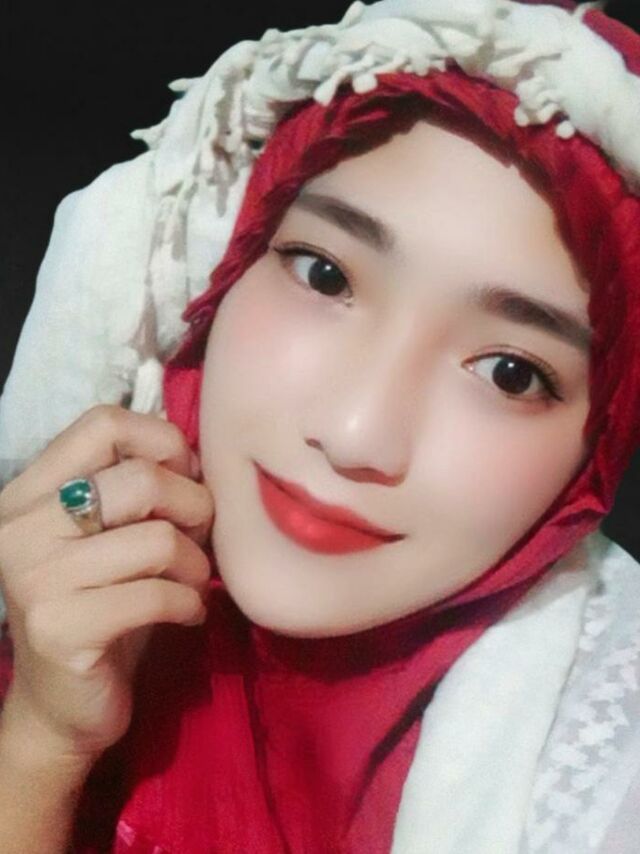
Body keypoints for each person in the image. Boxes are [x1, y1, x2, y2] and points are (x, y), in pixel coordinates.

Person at [1, 0, 640, 851]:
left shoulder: (605, 784)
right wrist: (40, 745)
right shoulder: (55, 608)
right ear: (223, 266)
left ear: (598, 451)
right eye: (325, 275)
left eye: (510, 373)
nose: (355, 433)